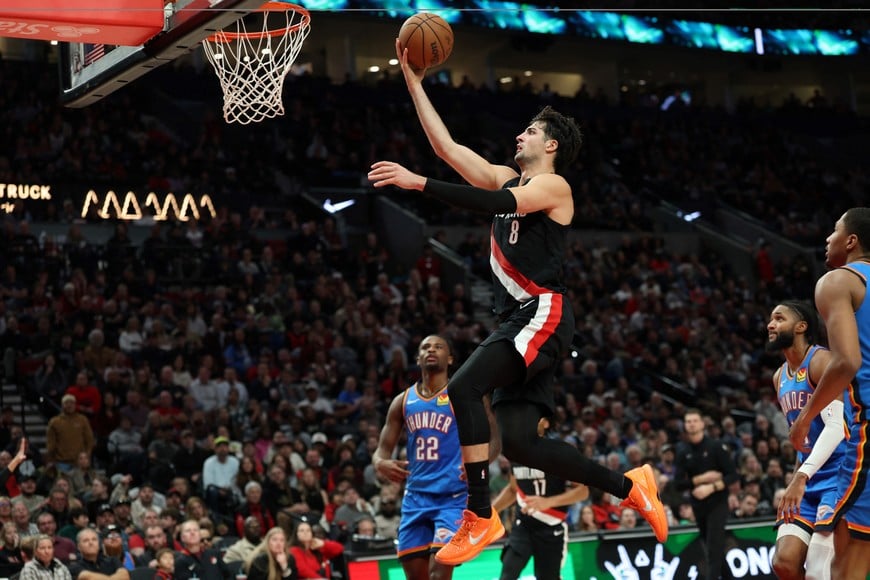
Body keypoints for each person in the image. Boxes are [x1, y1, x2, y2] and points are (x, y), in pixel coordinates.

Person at [367, 39, 667, 565]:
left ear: (549, 146)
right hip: (518, 319)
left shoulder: (552, 186)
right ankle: (630, 485)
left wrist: (419, 185)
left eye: (529, 131)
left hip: (542, 312)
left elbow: (496, 201)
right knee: (523, 446)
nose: (518, 135)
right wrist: (413, 80)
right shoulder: (511, 177)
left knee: (463, 386)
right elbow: (447, 149)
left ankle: (480, 515)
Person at [790, 207, 870, 579]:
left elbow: (847, 361)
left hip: (866, 428)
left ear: (851, 240)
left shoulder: (838, 281)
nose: (827, 238)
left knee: (846, 565)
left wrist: (805, 418)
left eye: (834, 230)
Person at [372, 335, 478, 579]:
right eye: (425, 347)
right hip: (415, 498)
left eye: (439, 347)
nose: (431, 350)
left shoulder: (461, 395)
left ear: (450, 358)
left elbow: (494, 436)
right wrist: (380, 462)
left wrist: (480, 462)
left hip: (452, 498)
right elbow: (381, 449)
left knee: (438, 575)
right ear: (418, 358)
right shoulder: (403, 401)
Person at [768, 301, 846, 580]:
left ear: (801, 327)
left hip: (839, 475)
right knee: (784, 562)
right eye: (771, 320)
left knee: (817, 569)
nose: (771, 325)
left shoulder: (820, 360)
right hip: (807, 477)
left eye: (779, 319)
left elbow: (836, 427)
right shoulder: (779, 377)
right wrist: (796, 478)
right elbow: (802, 438)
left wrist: (800, 477)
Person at [492, 417, 589, 580]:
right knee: (507, 574)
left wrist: (548, 502)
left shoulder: (558, 452)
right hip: (523, 526)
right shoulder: (515, 451)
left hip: (551, 528)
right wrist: (489, 512)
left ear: (545, 423)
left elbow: (582, 492)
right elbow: (512, 490)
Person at [673, 408, 739, 580]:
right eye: (688, 421)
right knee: (713, 549)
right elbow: (678, 484)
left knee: (712, 547)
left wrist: (712, 486)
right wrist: (701, 479)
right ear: (685, 426)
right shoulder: (682, 451)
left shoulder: (715, 446)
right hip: (698, 504)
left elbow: (733, 474)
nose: (692, 424)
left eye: (695, 420)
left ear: (702, 424)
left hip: (717, 501)